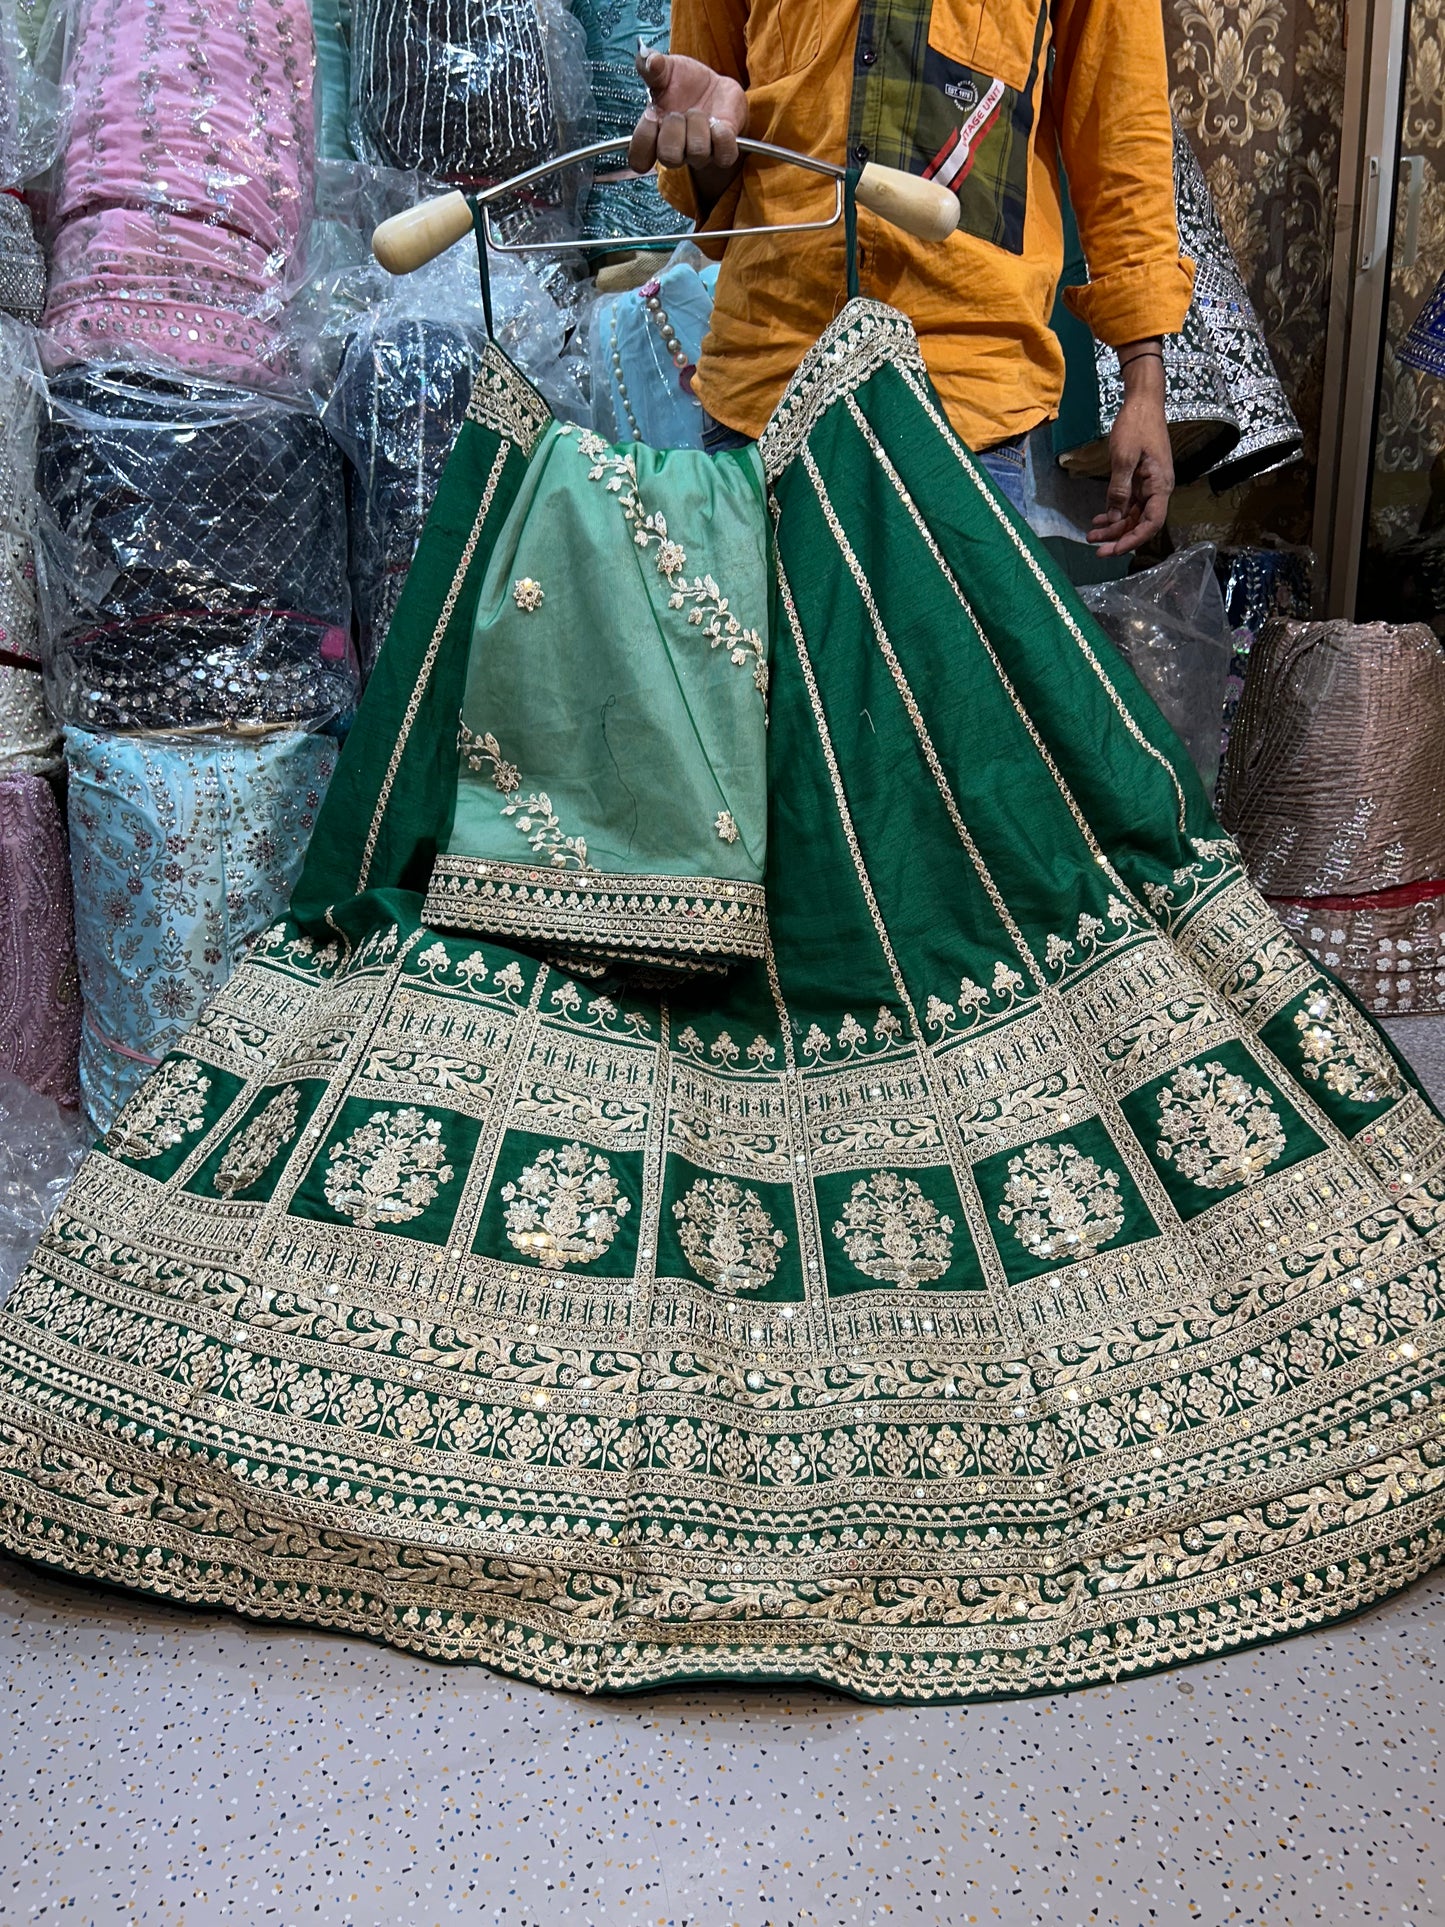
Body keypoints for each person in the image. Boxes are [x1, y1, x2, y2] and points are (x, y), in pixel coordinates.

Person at [628, 0, 1193, 554]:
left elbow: (1120, 129)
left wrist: (1144, 383)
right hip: (766, 387)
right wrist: (703, 141)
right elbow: (709, 145)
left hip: (963, 406)